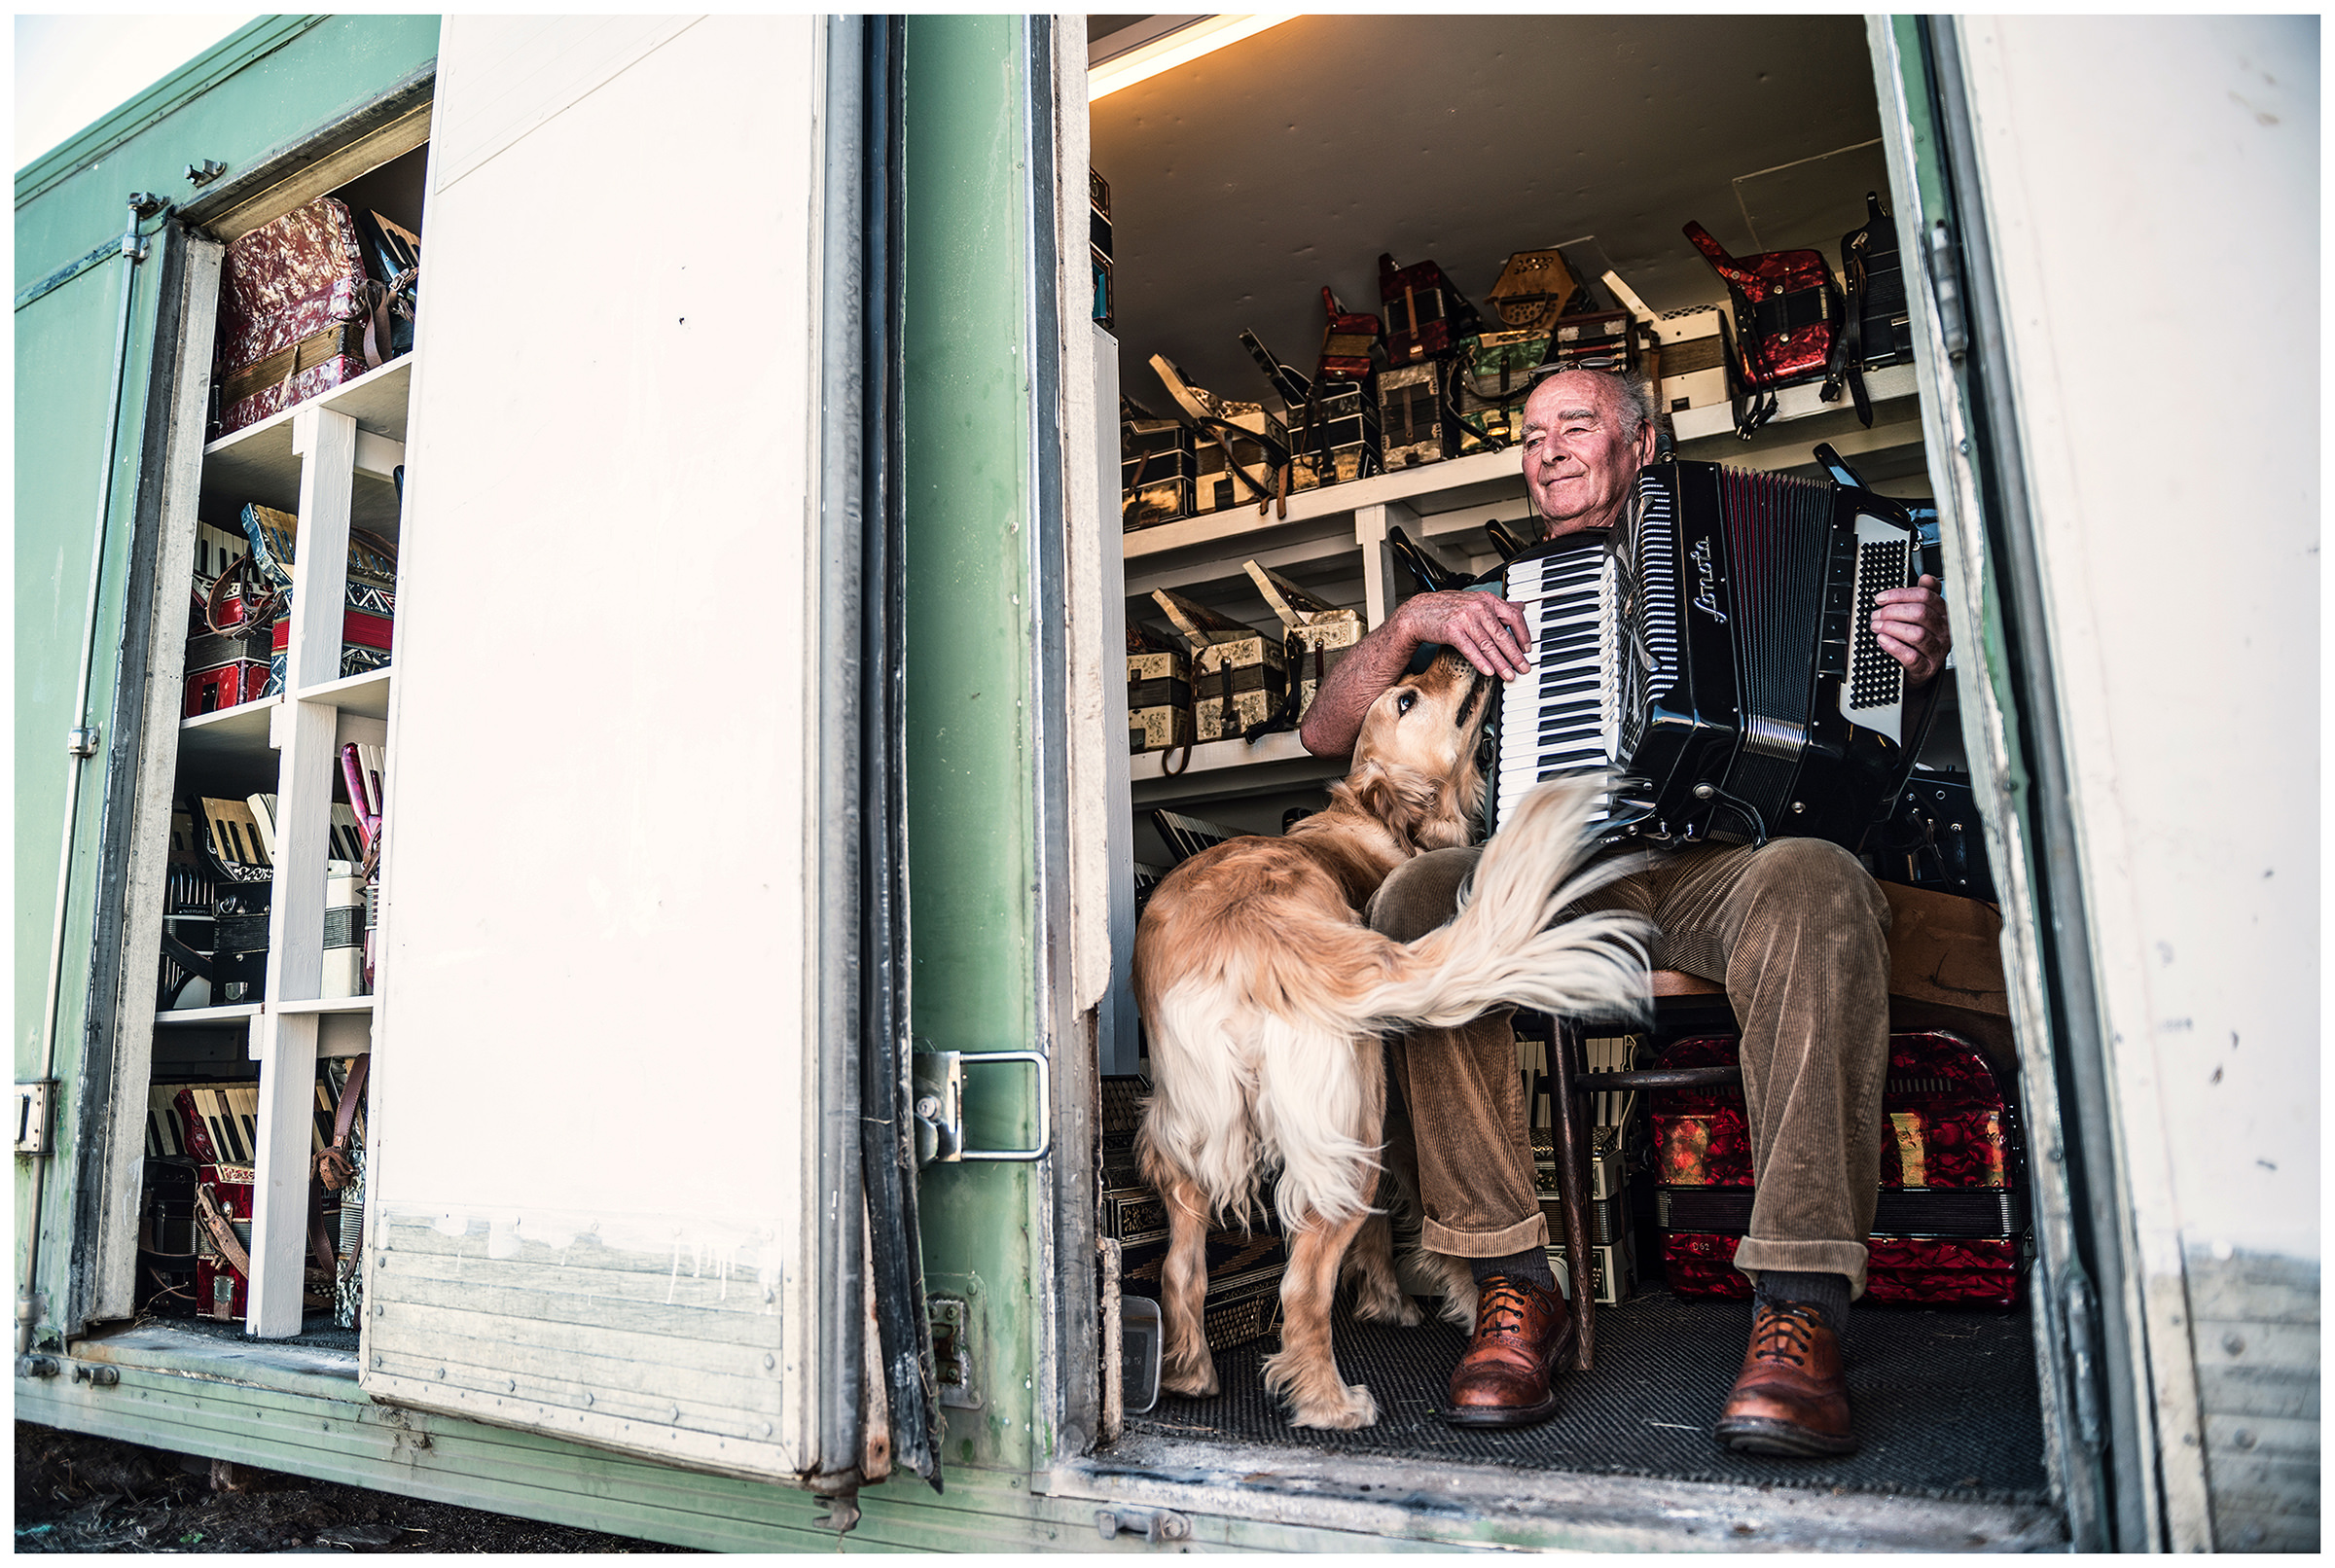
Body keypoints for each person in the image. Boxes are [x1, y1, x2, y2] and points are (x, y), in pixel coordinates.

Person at [1297, 367, 1952, 1452]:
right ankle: (1514, 1283)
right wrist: (1417, 617)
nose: (1546, 448)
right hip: (1552, 874)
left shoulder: (1737, 534)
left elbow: (1870, 716)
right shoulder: (1487, 602)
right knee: (1412, 901)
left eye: (1576, 424)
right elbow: (1326, 732)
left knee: (1824, 884)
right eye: (1529, 433)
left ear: (1638, 446)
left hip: (1715, 863)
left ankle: (1799, 1305)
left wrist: (1915, 661)